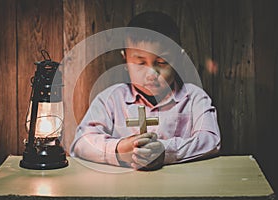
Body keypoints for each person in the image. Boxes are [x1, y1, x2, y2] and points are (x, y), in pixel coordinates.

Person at [70, 11, 221, 171]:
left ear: (179, 58)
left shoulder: (194, 98)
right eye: (140, 63)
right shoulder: (110, 99)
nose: (151, 74)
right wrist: (120, 149)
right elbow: (81, 143)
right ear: (125, 60)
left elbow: (210, 140)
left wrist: (165, 151)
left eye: (161, 62)